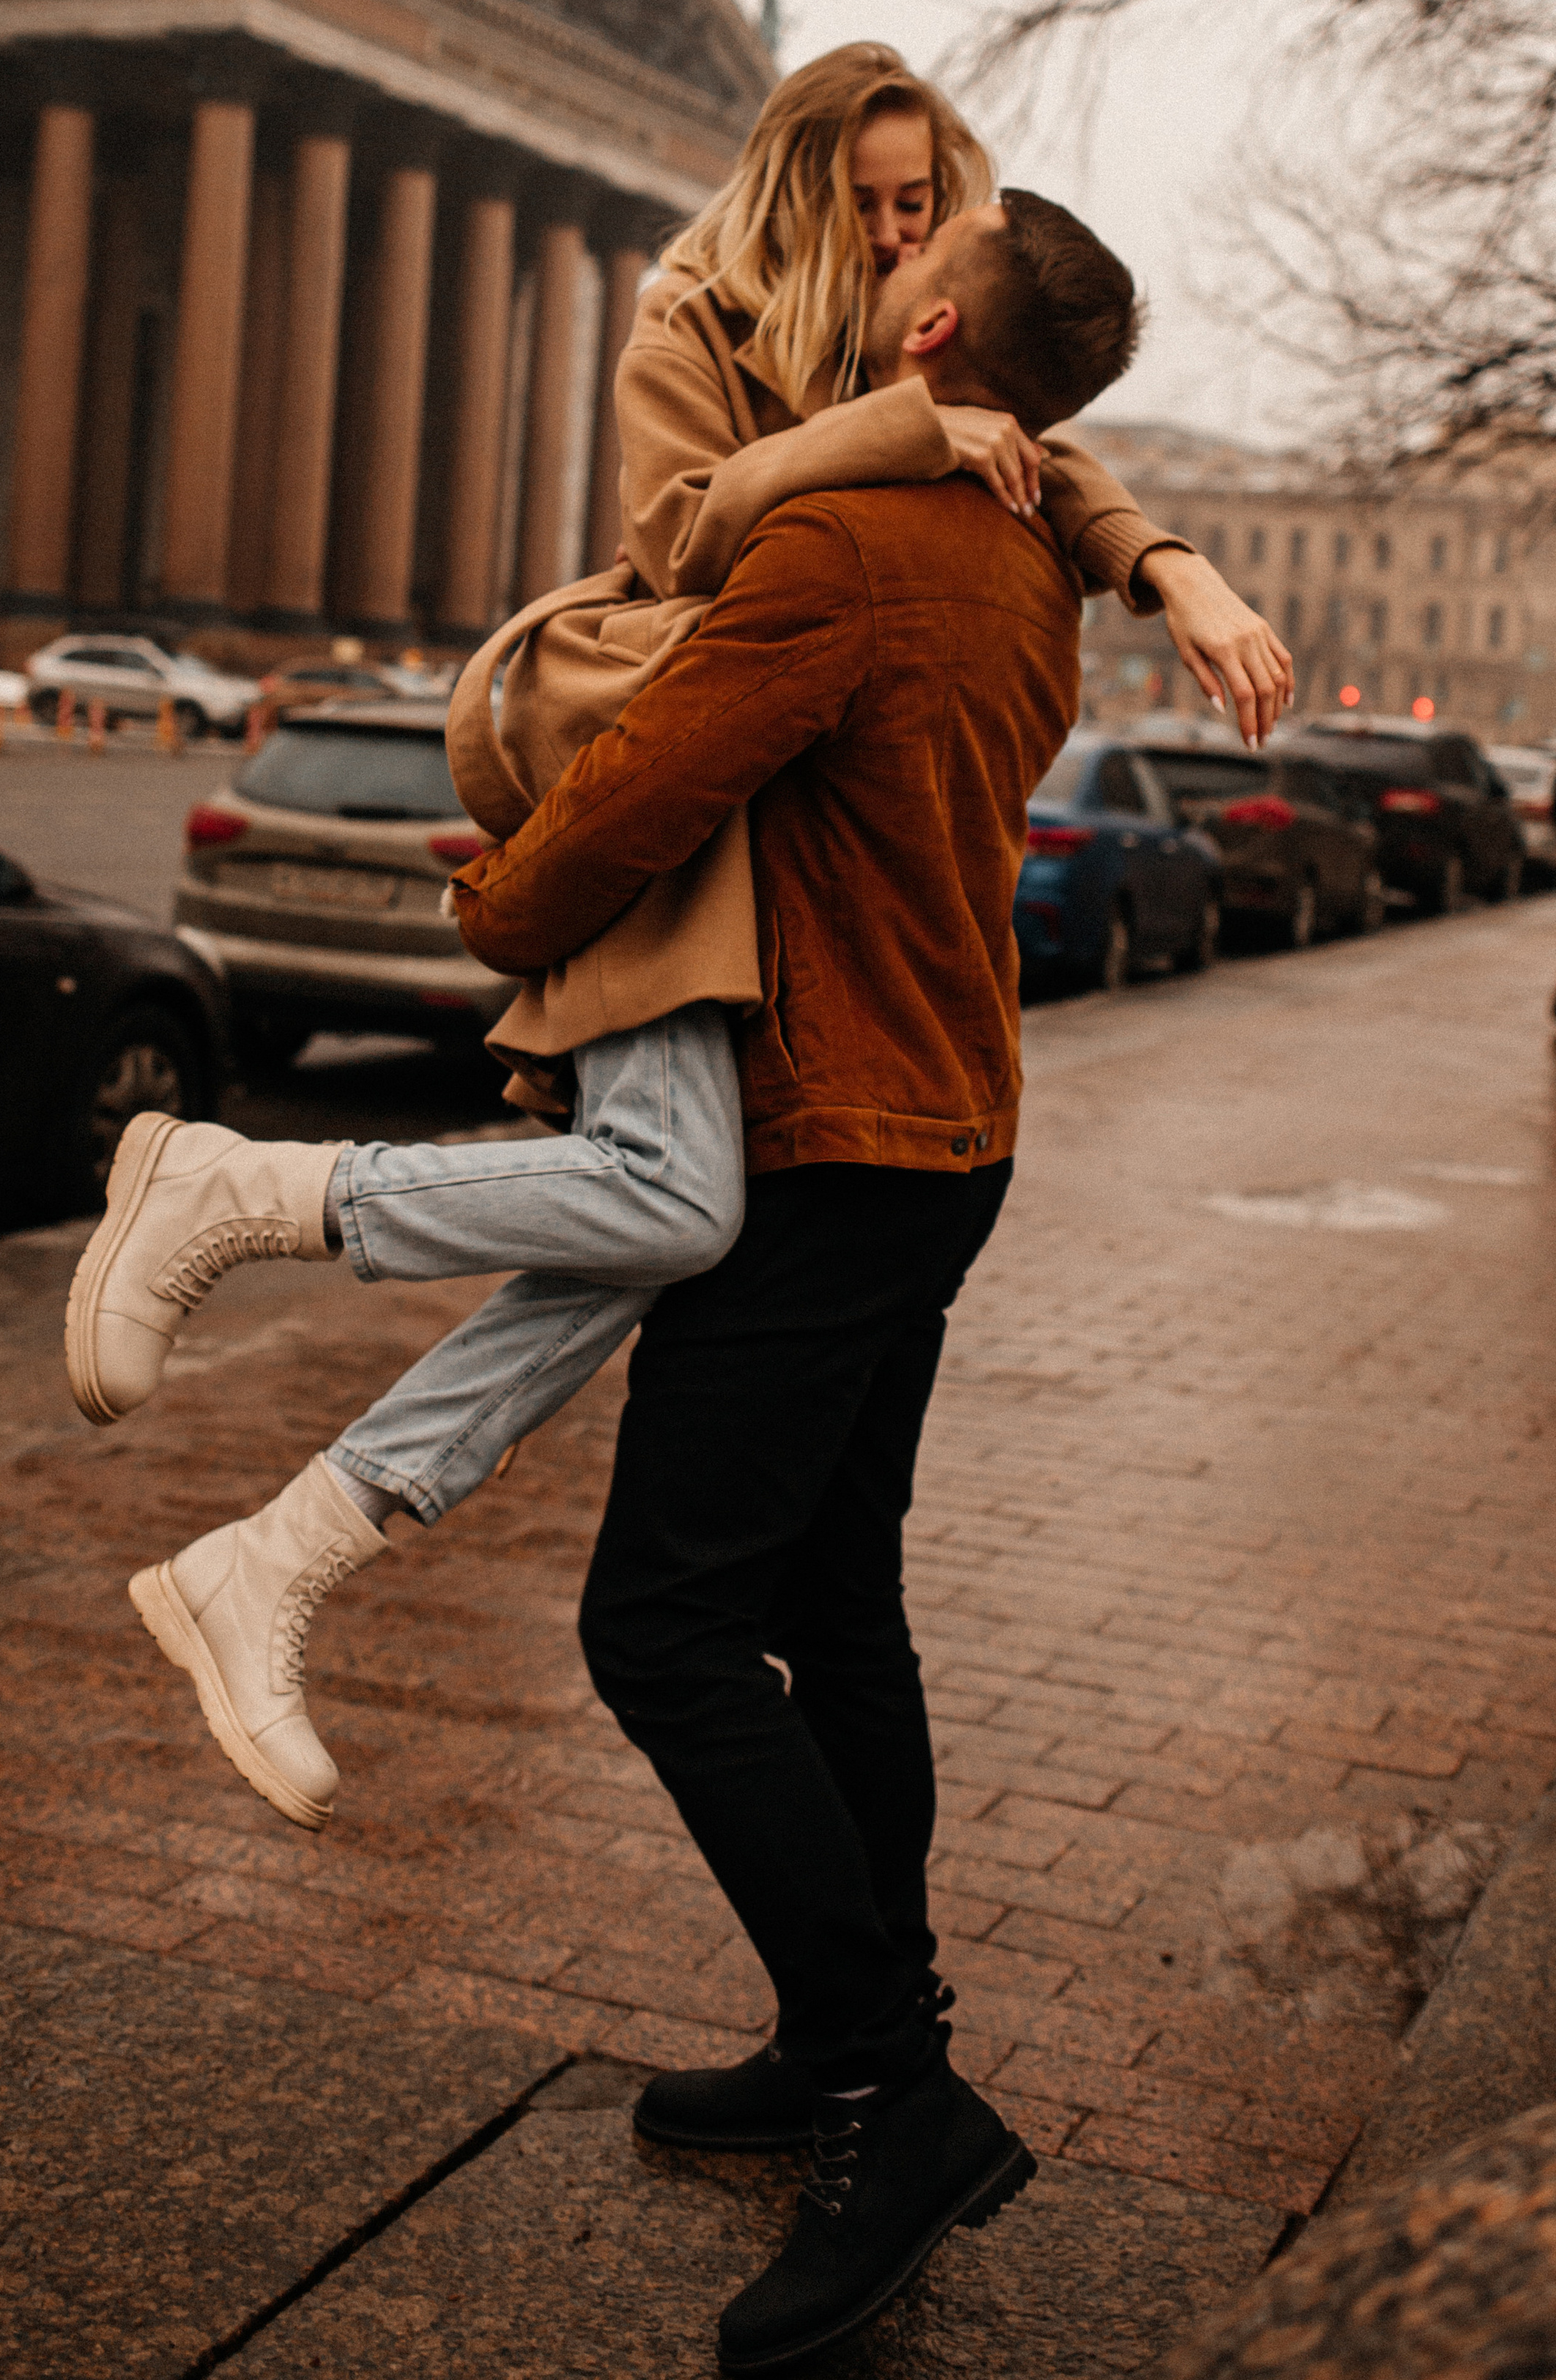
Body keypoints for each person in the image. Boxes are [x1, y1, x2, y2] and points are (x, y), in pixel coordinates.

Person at [70, 46, 1290, 1839]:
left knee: (648, 1239)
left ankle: (287, 1544)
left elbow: (1047, 450)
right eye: (872, 200)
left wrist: (1173, 564)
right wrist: (901, 431)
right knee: (671, 1206)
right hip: (660, 808)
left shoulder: (922, 361)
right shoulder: (694, 328)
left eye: (918, 203)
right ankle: (254, 1203)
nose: (893, 228)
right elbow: (686, 541)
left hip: (753, 869)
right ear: (807, 190)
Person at [445, 191, 1130, 2373]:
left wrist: (497, 903)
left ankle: (883, 2094)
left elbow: (647, 787)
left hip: (829, 1137)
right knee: (831, 1613)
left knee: (657, 1617)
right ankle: (861, 2038)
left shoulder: (844, 550)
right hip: (947, 1128)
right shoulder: (1026, 553)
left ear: (930, 322)